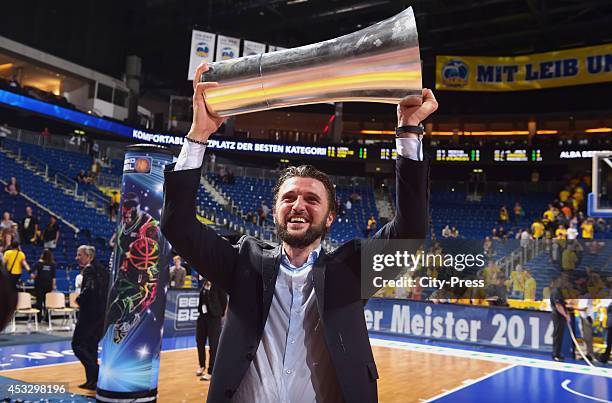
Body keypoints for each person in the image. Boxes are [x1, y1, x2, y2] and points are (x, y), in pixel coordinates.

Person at [160, 62, 436, 403]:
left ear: (331, 216)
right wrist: (199, 135)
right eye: (288, 197)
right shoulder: (243, 262)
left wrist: (409, 133)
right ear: (275, 211)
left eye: (311, 199)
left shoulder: (352, 269)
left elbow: (411, 229)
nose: (298, 205)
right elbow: (178, 226)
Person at [105, 192, 161, 343]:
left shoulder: (149, 226)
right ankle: (118, 327)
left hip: (143, 275)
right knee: (111, 308)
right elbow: (115, 244)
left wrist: (134, 253)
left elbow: (154, 254)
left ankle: (128, 321)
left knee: (128, 304)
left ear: (137, 208)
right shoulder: (123, 225)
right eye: (125, 211)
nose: (127, 214)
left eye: (130, 210)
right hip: (126, 271)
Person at [72, 245, 109, 390]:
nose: (77, 257)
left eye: (79, 255)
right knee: (91, 346)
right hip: (102, 314)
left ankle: (97, 372)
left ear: (88, 256)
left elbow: (90, 290)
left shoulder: (89, 270)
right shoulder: (103, 269)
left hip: (89, 314)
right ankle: (92, 381)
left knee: (77, 344)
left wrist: (79, 300)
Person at [196, 278, 228, 381]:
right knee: (199, 341)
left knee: (213, 345)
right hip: (202, 317)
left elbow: (224, 301)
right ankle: (201, 365)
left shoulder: (218, 284)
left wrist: (219, 314)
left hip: (214, 319)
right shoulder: (203, 283)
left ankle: (211, 371)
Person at [31, 249, 56, 320]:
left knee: (39, 301)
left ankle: (38, 318)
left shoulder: (38, 263)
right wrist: (53, 286)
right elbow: (53, 276)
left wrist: (33, 276)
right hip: (48, 284)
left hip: (39, 284)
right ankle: (47, 318)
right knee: (47, 301)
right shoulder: (52, 264)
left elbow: (33, 274)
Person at [550, 278, 570, 361]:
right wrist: (566, 315)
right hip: (558, 316)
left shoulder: (559, 291)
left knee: (559, 335)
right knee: (557, 335)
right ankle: (555, 354)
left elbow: (562, 303)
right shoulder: (556, 292)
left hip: (560, 316)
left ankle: (557, 353)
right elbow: (558, 305)